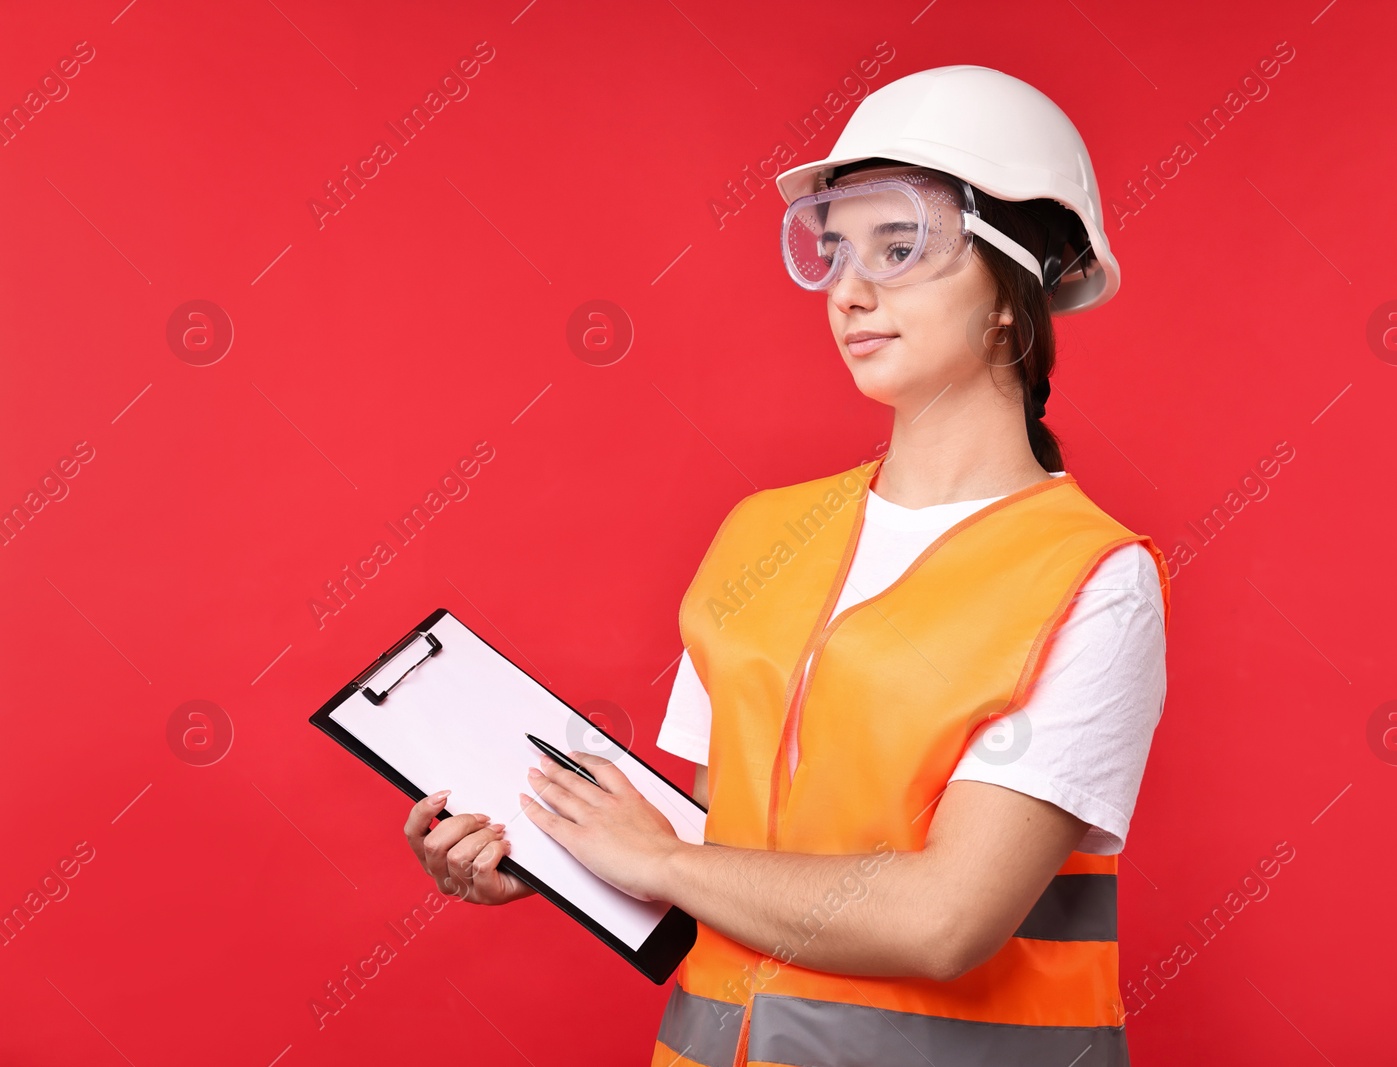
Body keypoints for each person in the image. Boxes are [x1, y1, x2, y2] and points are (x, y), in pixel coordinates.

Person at [403, 64, 1170, 1067]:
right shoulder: (763, 537)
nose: (849, 291)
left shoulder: (1093, 580)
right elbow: (718, 859)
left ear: (1011, 292)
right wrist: (552, 855)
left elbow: (947, 917)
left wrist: (663, 857)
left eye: (898, 249)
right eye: (836, 252)